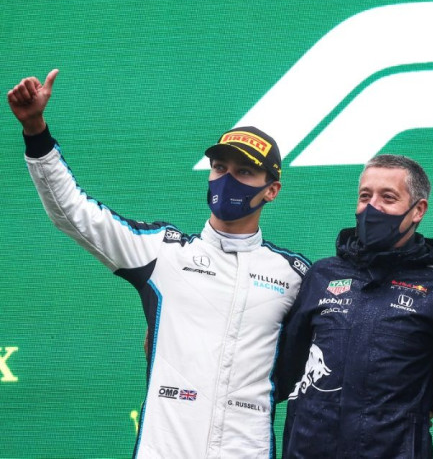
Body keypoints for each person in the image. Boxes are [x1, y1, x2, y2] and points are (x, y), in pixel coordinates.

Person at [7, 69, 310, 458]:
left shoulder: (295, 275)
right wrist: (35, 131)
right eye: (220, 168)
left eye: (244, 172)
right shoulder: (163, 252)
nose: (227, 179)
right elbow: (73, 214)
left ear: (273, 189)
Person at [276, 154, 433, 458]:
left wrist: (405, 417)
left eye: (388, 197)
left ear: (418, 210)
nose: (372, 206)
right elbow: (285, 369)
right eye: (365, 196)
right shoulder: (322, 274)